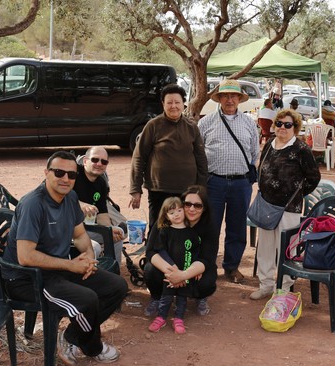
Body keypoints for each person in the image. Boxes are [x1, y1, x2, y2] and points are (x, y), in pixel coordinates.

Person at [1, 151, 128, 366]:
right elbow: (25, 256)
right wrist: (71, 265)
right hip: (27, 278)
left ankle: (71, 337)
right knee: (88, 300)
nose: (66, 179)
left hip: (56, 269)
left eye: (71, 175)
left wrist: (88, 257)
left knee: (117, 286)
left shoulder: (70, 198)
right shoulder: (33, 204)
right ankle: (93, 347)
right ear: (46, 173)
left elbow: (79, 236)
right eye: (59, 172)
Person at [250, 109, 321, 300]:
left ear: (295, 127)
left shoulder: (301, 149)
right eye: (279, 123)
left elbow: (313, 177)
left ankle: (284, 288)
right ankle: (266, 285)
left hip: (289, 208)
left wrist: (296, 194)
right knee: (265, 247)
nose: (282, 127)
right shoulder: (269, 144)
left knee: (286, 248)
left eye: (287, 124)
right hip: (266, 204)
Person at [198, 79, 259, 283]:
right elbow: (198, 153)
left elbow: (254, 153)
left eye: (234, 96)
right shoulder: (205, 122)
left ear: (240, 99)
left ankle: (231, 267)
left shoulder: (250, 123)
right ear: (220, 98)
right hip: (213, 183)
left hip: (241, 184)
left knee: (237, 227)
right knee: (210, 227)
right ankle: (207, 267)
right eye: (226, 95)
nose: (230, 99)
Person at [130, 84, 208, 233]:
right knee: (158, 228)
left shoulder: (192, 127)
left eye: (177, 102)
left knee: (184, 227)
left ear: (183, 104)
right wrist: (135, 189)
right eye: (169, 102)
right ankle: (154, 256)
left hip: (187, 190)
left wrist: (201, 188)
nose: (173, 106)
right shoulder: (153, 125)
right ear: (163, 104)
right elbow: (139, 157)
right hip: (159, 189)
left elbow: (201, 160)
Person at [143, 185, 218, 316]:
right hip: (169, 266)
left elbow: (207, 258)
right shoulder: (164, 222)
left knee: (207, 280)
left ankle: (199, 297)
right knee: (150, 270)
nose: (192, 209)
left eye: (198, 205)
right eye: (188, 204)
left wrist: (183, 275)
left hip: (192, 266)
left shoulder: (208, 226)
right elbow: (151, 251)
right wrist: (172, 273)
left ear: (204, 208)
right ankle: (157, 297)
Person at [147, 197, 201, 334]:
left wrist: (193, 270)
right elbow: (161, 250)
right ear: (166, 216)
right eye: (171, 213)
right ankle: (161, 317)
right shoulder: (165, 231)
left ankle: (178, 319)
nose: (176, 214)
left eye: (179, 210)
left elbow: (196, 252)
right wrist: (172, 268)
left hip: (186, 271)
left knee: (182, 297)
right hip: (170, 272)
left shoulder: (192, 233)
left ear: (184, 210)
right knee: (166, 296)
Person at [73, 147, 124, 262]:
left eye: (104, 161)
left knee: (116, 234)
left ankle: (113, 271)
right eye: (95, 160)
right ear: (85, 161)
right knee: (94, 246)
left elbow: (103, 215)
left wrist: (109, 230)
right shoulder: (73, 174)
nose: (99, 164)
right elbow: (60, 196)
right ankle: (92, 277)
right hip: (66, 229)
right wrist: (81, 204)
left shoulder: (101, 182)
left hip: (86, 227)